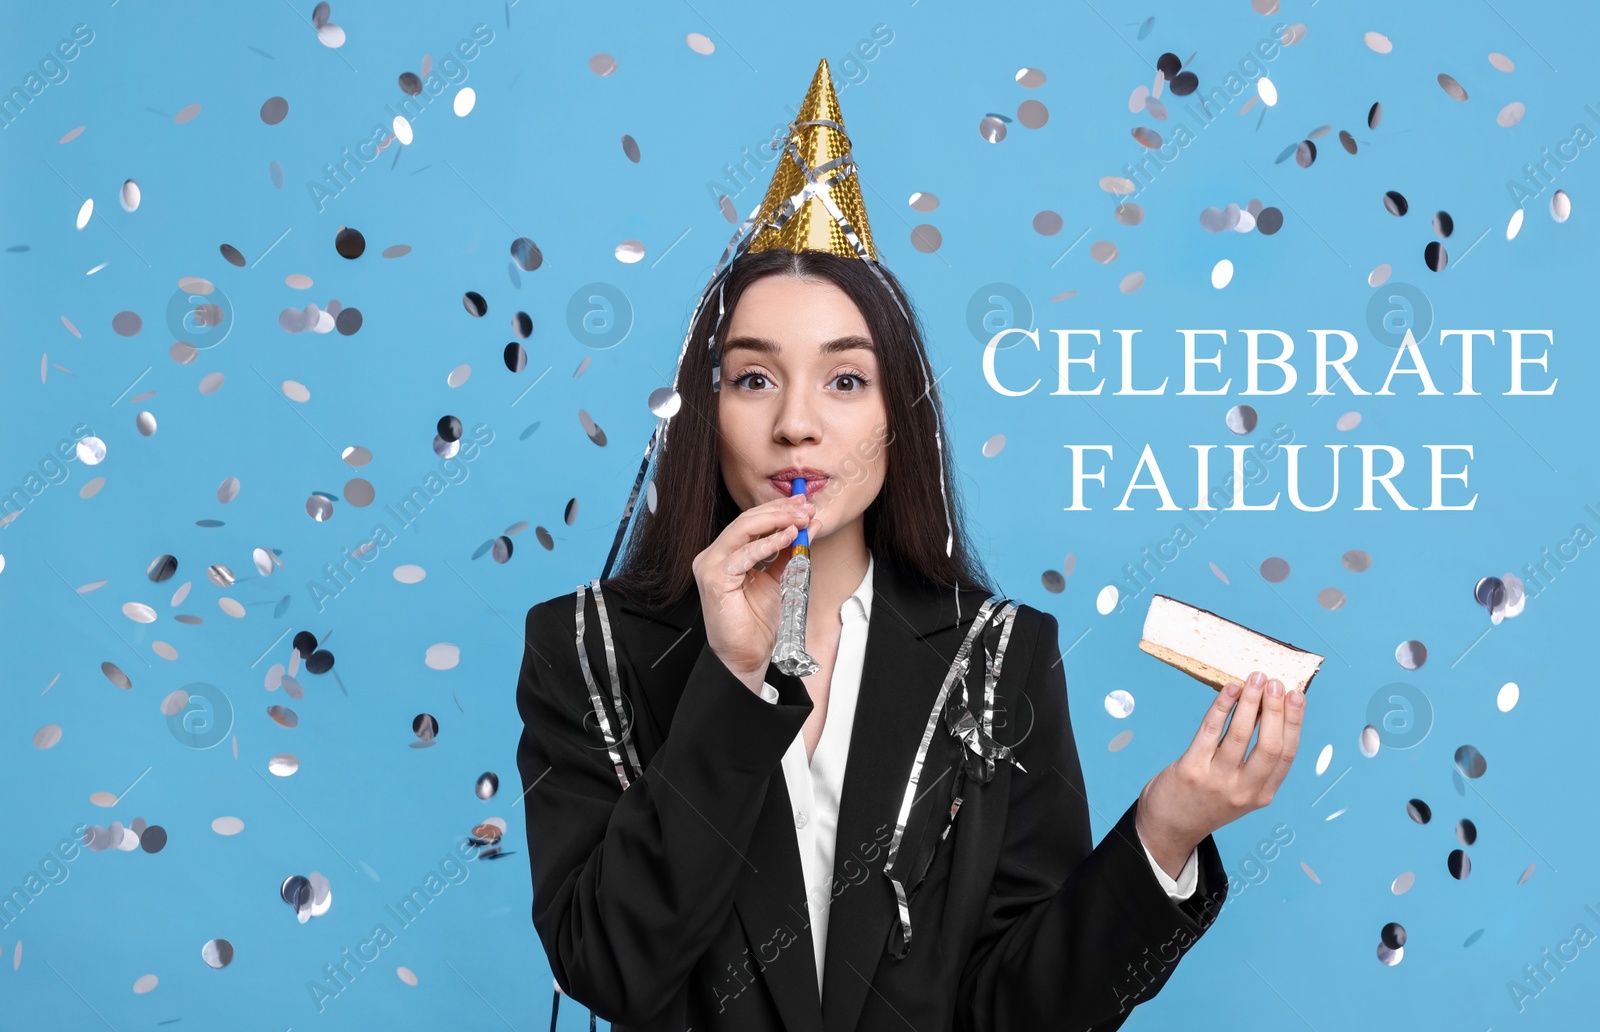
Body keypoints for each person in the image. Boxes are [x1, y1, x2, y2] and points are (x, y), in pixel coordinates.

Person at [515, 58, 1307, 1032]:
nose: (796, 424)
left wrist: (1170, 827)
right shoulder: (586, 649)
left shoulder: (999, 657)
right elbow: (610, 968)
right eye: (754, 379)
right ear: (705, 412)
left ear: (901, 417)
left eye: (845, 381)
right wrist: (731, 680)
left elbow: (1016, 1012)